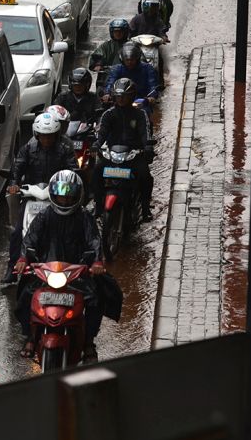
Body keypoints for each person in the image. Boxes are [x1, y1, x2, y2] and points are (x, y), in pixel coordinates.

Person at [14, 170, 111, 362]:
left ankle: (89, 342)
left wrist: (97, 262)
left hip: (77, 273)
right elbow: (29, 239)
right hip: (46, 272)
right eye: (60, 195)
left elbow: (94, 241)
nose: (64, 200)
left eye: (69, 196)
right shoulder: (44, 215)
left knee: (95, 300)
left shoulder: (84, 217)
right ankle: (30, 337)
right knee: (25, 297)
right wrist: (23, 258)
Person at [2, 113, 79, 284]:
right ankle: (12, 268)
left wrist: (68, 186)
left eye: (50, 135)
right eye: (43, 135)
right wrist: (14, 184)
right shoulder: (28, 149)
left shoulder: (65, 150)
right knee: (16, 233)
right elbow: (17, 168)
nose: (46, 139)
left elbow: (73, 170)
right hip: (32, 197)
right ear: (37, 135)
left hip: (57, 199)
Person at [94, 77, 154, 222]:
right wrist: (96, 144)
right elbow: (101, 132)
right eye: (119, 96)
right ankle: (98, 205)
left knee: (145, 177)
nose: (121, 99)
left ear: (131, 96)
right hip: (113, 155)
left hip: (133, 156)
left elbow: (145, 132)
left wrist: (147, 146)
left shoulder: (140, 115)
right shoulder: (108, 114)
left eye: (125, 96)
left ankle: (145, 209)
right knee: (96, 173)